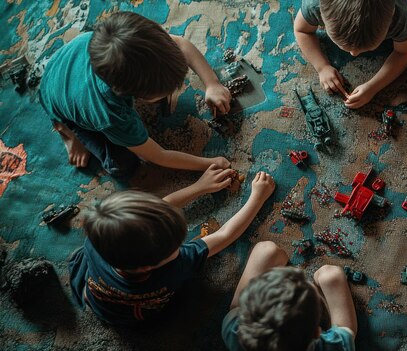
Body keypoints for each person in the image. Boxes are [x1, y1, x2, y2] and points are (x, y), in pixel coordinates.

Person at [39, 12, 232, 181]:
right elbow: (157, 155)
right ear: (127, 94)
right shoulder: (110, 114)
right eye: (160, 94)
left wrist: (212, 83)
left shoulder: (140, 40)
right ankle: (67, 131)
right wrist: (207, 163)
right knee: (122, 165)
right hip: (57, 100)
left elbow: (181, 44)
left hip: (68, 59)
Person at [68, 169, 276, 326]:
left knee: (90, 258)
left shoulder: (96, 240)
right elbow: (225, 235)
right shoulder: (177, 265)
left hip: (98, 297)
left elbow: (156, 212)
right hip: (138, 314)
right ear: (148, 266)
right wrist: (258, 196)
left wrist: (200, 186)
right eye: (174, 248)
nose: (180, 246)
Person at [294, 0, 407, 109]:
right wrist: (322, 67)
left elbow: (404, 51)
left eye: (368, 48)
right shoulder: (314, 4)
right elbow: (301, 30)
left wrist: (373, 87)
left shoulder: (401, 14)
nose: (353, 54)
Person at [222, 259, 357, 351]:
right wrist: (332, 277)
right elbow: (347, 333)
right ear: (317, 332)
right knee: (331, 276)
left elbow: (236, 312)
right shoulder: (334, 346)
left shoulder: (233, 331)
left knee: (265, 250)